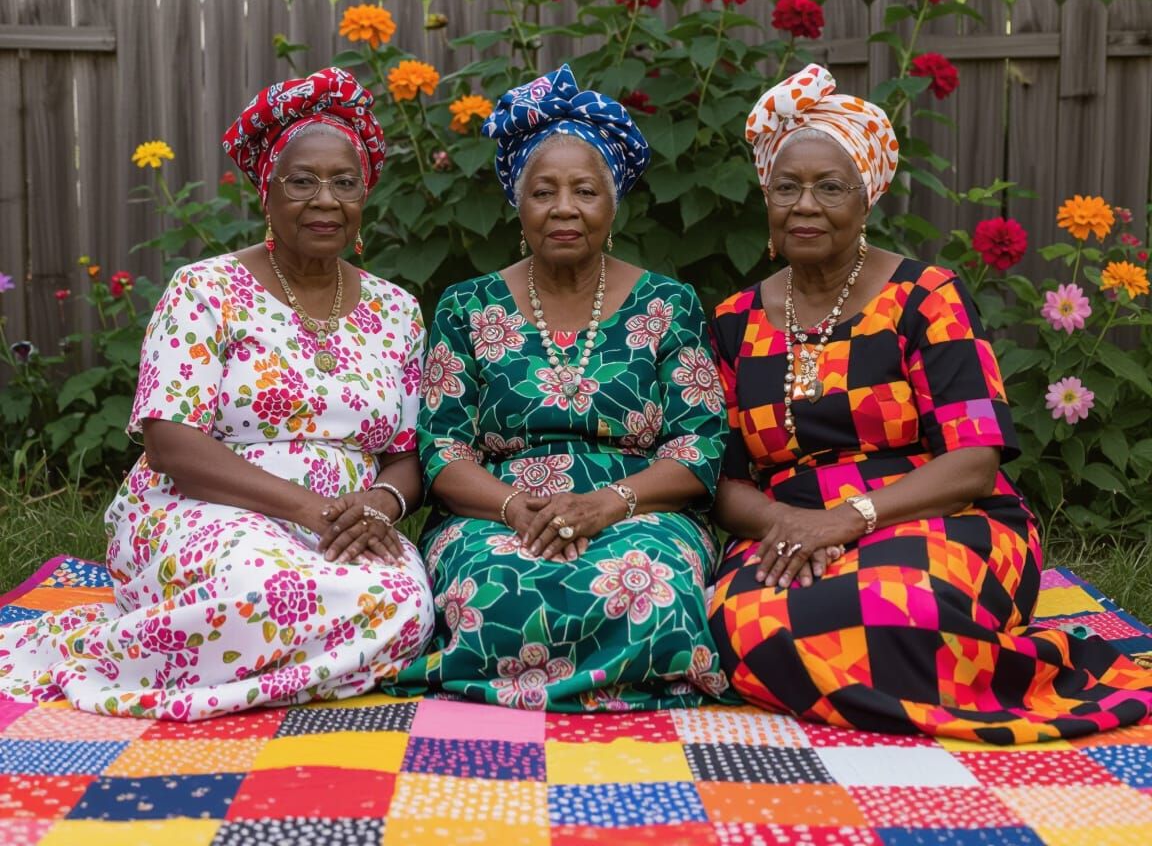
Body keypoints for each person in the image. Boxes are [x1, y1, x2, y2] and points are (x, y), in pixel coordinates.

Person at [708, 63, 1152, 743]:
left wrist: (846, 520)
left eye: (831, 187)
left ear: (868, 199)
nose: (804, 204)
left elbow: (974, 462)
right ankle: (882, 692)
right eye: (785, 187)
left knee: (893, 610)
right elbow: (727, 478)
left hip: (939, 511)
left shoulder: (925, 295)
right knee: (738, 620)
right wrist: (788, 525)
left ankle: (993, 680)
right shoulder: (735, 320)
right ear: (765, 200)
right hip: (789, 527)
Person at [0, 68, 433, 720]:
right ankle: (90, 653)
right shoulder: (204, 289)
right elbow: (172, 444)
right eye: (302, 180)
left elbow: (407, 452)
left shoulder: (398, 311)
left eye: (345, 182)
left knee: (407, 603)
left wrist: (380, 503)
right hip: (204, 506)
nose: (325, 199)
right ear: (267, 192)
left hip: (344, 523)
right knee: (264, 585)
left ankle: (239, 666)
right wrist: (311, 510)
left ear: (364, 196)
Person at [388, 65, 730, 710]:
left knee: (649, 577)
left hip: (638, 507)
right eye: (544, 191)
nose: (564, 208)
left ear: (614, 204)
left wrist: (609, 503)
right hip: (495, 510)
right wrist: (515, 507)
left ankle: (610, 686)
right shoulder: (467, 306)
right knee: (496, 579)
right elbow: (443, 452)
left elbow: (699, 446)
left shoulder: (668, 302)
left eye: (585, 191)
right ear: (518, 203)